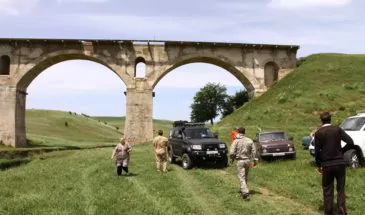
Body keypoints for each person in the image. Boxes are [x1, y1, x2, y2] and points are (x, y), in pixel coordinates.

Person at [314, 112, 354, 215]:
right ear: (330, 119)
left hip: (326, 165)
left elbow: (317, 152)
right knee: (341, 189)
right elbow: (350, 141)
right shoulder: (337, 129)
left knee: (327, 189)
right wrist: (342, 151)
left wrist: (319, 165)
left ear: (321, 120)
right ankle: (342, 212)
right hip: (340, 163)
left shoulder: (318, 133)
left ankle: (328, 212)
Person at [229, 127, 258, 201]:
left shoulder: (236, 141)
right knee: (245, 176)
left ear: (238, 132)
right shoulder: (249, 140)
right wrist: (254, 160)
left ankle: (245, 193)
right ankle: (243, 190)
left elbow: (232, 152)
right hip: (248, 160)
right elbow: (254, 151)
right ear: (244, 132)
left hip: (240, 161)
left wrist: (232, 158)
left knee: (241, 177)